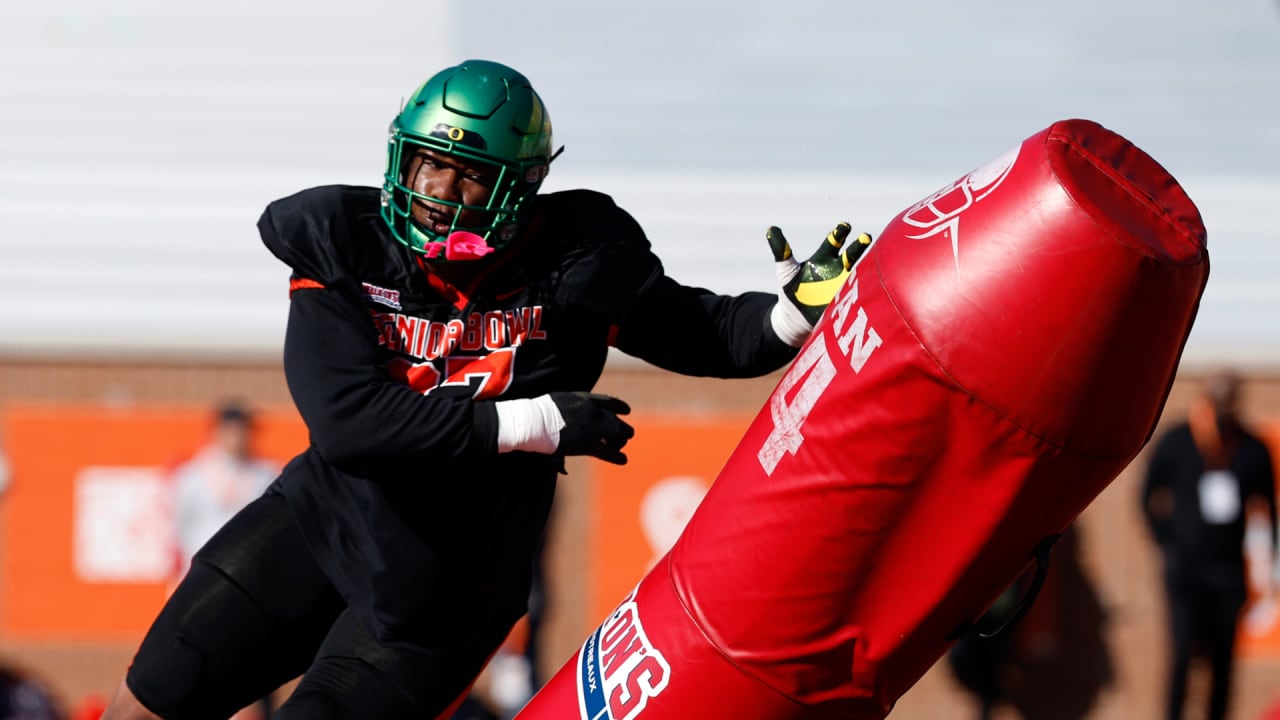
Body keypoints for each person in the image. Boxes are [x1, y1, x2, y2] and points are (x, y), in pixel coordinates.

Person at [101, 59, 871, 720]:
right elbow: (349, 426)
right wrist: (532, 421)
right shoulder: (341, 239)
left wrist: (786, 318)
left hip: (442, 592)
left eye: (469, 174)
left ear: (523, 186)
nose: (438, 189)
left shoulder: (579, 258)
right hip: (318, 524)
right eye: (427, 163)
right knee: (152, 698)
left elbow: (702, 332)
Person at [1141, 368, 1279, 720]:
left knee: (1222, 662)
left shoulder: (1251, 448)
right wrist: (1166, 543)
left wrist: (1271, 566)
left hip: (1228, 573)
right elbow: (1148, 495)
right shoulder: (1178, 440)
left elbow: (1268, 510)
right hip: (1185, 572)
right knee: (1183, 654)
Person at [169, 402, 279, 580]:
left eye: (243, 431)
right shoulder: (193, 476)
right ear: (218, 433)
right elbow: (179, 524)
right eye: (233, 431)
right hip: (200, 570)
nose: (239, 437)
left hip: (248, 570)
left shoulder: (265, 474)